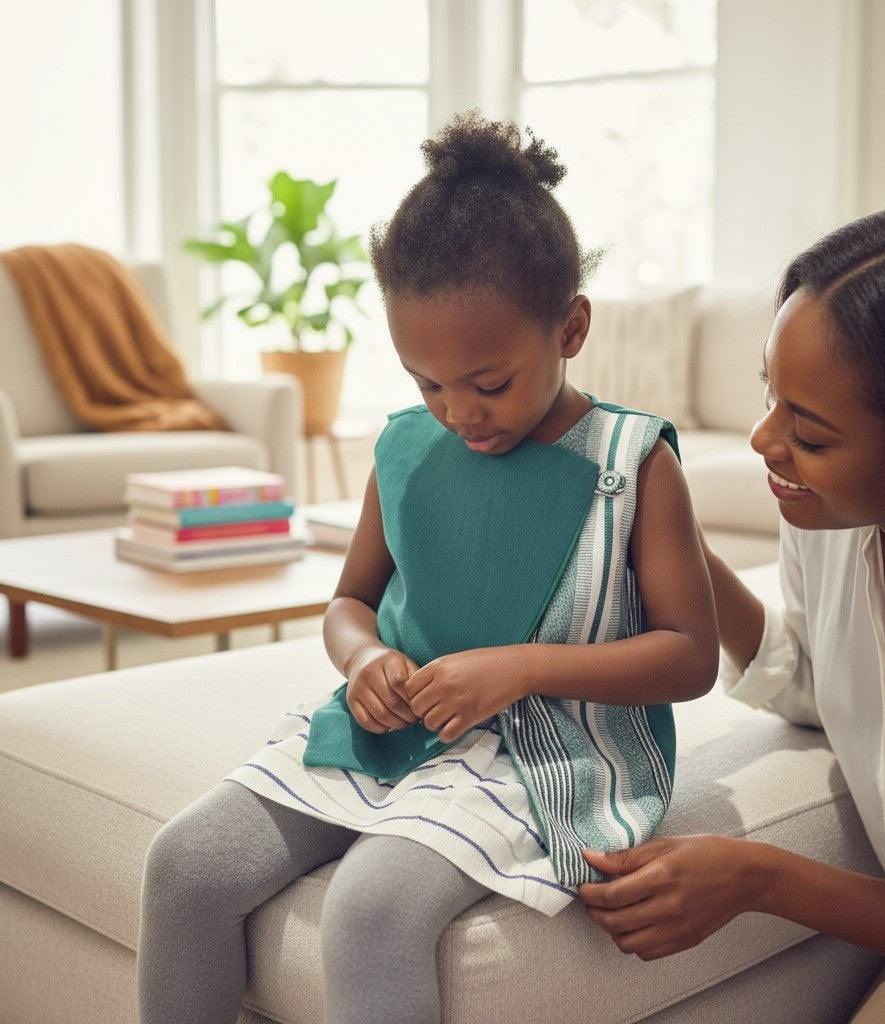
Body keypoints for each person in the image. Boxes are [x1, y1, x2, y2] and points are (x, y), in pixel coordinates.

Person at [136, 111, 719, 1024]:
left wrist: (519, 667)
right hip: (396, 733)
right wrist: (364, 660)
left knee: (372, 908)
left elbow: (690, 656)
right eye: (426, 383)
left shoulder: (634, 463)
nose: (460, 414)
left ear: (570, 328)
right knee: (186, 865)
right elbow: (349, 604)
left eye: (491, 383)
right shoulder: (406, 447)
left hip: (547, 752)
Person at [578, 198, 885, 1022]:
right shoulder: (834, 528)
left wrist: (756, 876)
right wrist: (680, 549)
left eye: (810, 433)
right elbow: (825, 687)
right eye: (770, 396)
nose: (761, 440)